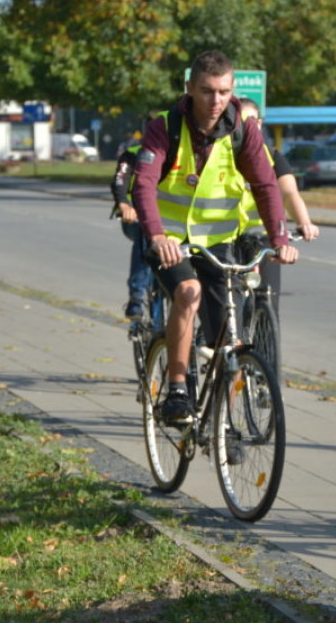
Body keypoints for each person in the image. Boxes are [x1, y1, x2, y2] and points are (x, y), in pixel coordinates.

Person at [131, 50, 298, 426]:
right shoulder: (166, 127)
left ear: (232, 89)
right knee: (187, 293)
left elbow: (265, 185)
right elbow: (143, 183)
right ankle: (176, 388)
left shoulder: (243, 129)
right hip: (170, 240)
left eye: (223, 91)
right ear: (190, 88)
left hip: (220, 242)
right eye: (207, 91)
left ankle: (223, 423)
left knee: (230, 332)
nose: (216, 100)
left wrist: (280, 238)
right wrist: (156, 235)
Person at [236, 97, 319, 313]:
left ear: (261, 123)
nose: (248, 126)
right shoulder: (222, 155)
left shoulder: (271, 156)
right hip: (226, 235)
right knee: (227, 304)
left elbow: (289, 193)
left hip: (262, 235)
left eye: (253, 120)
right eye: (241, 120)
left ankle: (267, 343)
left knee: (268, 302)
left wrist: (305, 222)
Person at [111, 136, 155, 320]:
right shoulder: (132, 155)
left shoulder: (179, 154)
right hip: (135, 219)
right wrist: (123, 204)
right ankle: (136, 298)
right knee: (147, 235)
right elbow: (120, 180)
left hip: (169, 220)